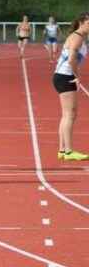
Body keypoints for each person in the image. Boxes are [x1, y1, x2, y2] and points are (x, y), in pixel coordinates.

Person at [53, 12, 89, 161]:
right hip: (66, 77)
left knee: (67, 114)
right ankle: (68, 151)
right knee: (70, 114)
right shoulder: (77, 37)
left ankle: (62, 150)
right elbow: (72, 59)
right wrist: (76, 76)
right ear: (82, 22)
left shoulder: (80, 37)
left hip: (63, 76)